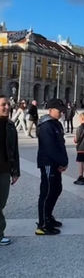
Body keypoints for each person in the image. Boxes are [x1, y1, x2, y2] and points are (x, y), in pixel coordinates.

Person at [36, 99, 69, 236]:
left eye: (62, 110)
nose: (61, 113)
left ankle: (48, 216)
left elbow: (61, 144)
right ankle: (43, 224)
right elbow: (50, 148)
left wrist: (64, 161)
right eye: (59, 110)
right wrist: (62, 161)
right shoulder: (46, 126)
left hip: (56, 163)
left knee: (56, 189)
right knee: (47, 192)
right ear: (50, 110)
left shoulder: (56, 124)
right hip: (48, 162)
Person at [0, 95, 21, 246]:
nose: (7, 107)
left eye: (8, 104)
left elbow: (15, 150)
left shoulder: (10, 125)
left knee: (1, 202)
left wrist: (16, 171)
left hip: (5, 169)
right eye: (3, 105)